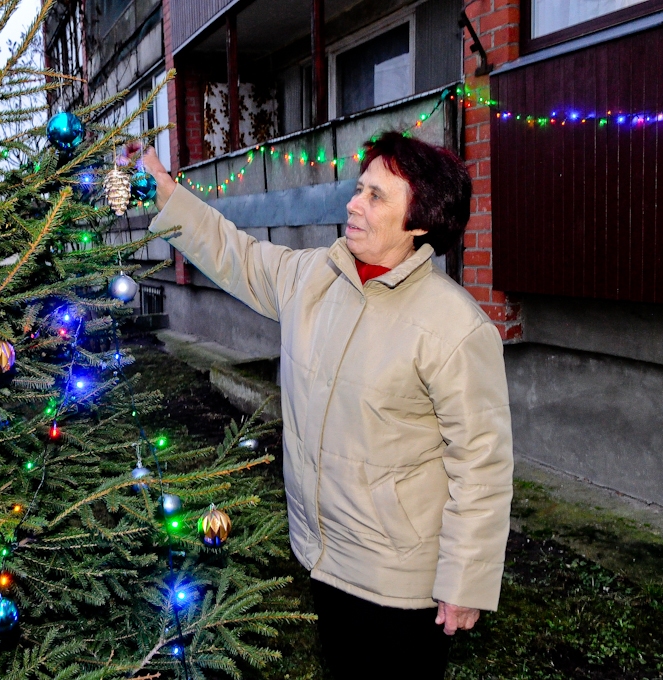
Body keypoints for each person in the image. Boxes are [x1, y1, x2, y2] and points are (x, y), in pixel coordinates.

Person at [141, 132, 513, 678]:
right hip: (323, 557)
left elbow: (481, 464)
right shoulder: (315, 277)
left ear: (420, 221)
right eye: (359, 189)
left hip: (397, 583)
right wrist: (169, 196)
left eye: (376, 196)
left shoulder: (455, 328)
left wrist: (465, 583)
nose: (353, 204)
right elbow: (237, 256)